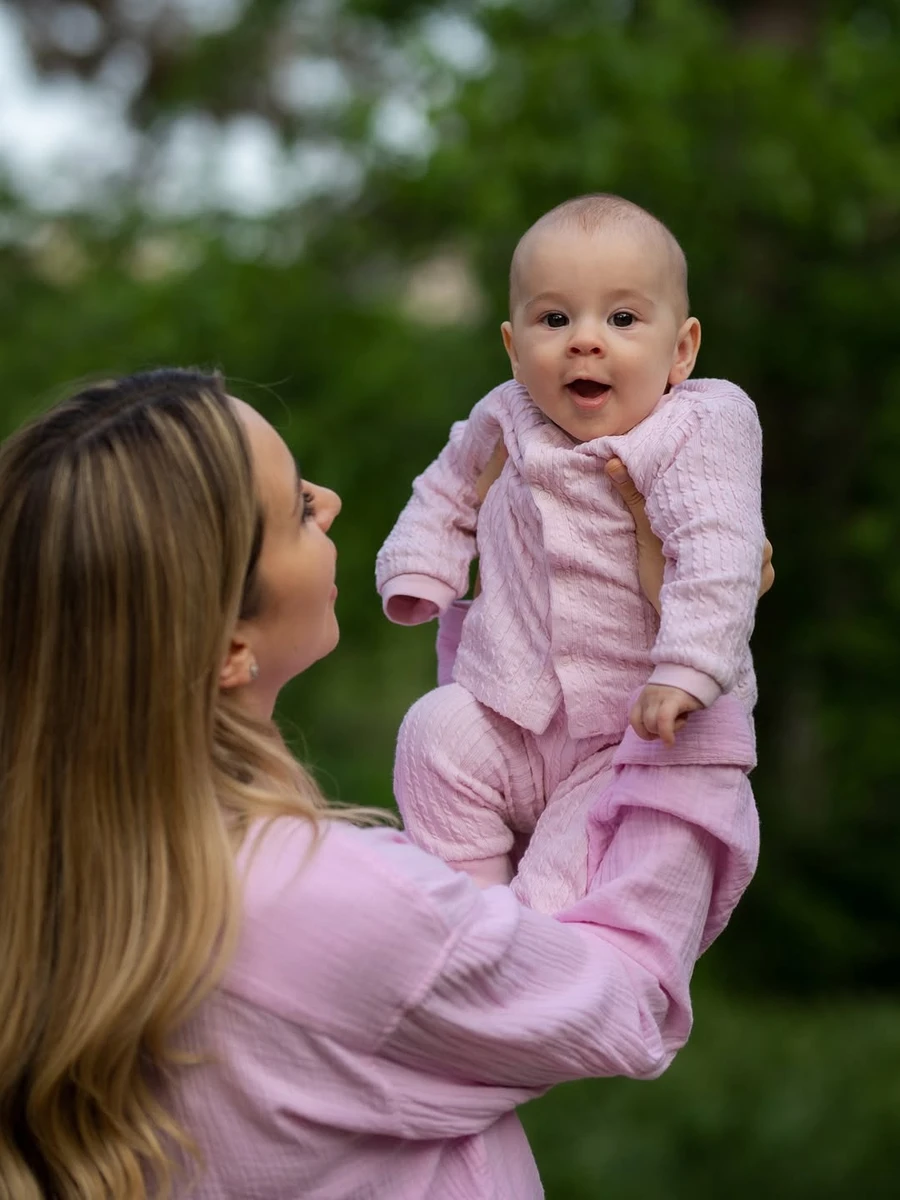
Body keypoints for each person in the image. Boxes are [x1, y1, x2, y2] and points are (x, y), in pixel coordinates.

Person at [0, 369, 762, 1200]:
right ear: (226, 648)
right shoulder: (327, 903)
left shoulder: (51, 887)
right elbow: (629, 994)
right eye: (295, 509)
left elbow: (494, 946)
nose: (326, 501)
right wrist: (695, 670)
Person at [376, 192, 766, 907]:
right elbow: (445, 489)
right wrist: (419, 569)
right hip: (514, 703)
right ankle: (465, 916)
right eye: (555, 319)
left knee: (563, 878)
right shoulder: (506, 414)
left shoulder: (700, 427)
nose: (586, 340)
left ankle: (523, 944)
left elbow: (721, 553)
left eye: (622, 319)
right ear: (514, 348)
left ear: (681, 349)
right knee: (433, 735)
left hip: (638, 727)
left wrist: (687, 668)